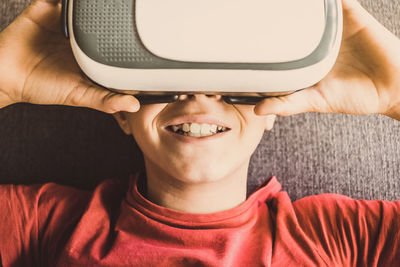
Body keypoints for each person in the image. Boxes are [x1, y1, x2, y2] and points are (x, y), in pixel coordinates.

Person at [0, 0, 399, 266]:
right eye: (167, 73)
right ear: (120, 113)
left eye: (230, 77)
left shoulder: (337, 235)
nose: (200, 93)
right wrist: (6, 78)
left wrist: (394, 92)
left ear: (276, 107)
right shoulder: (47, 221)